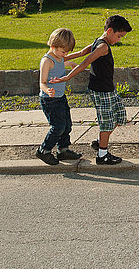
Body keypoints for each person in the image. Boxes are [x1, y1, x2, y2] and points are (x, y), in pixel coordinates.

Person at [53, 15, 133, 165]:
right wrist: (66, 77)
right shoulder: (102, 46)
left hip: (109, 88)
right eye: (119, 36)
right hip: (101, 90)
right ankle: (102, 155)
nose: (119, 39)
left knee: (120, 117)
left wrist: (63, 58)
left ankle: (99, 142)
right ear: (109, 31)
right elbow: (85, 62)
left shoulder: (99, 41)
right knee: (107, 122)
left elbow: (82, 52)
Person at [35, 28, 83, 165]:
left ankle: (63, 150)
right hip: (49, 100)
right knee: (58, 126)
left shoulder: (59, 57)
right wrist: (48, 90)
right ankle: (43, 150)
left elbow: (62, 63)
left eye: (67, 51)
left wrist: (71, 64)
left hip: (60, 97)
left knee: (67, 124)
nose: (66, 54)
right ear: (53, 46)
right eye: (63, 51)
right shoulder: (47, 61)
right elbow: (42, 83)